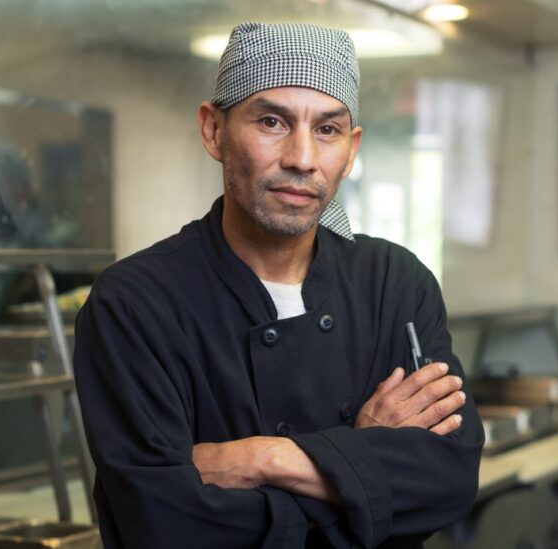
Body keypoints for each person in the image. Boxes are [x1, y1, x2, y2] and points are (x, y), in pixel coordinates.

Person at [73, 21, 482, 548]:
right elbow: (164, 526)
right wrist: (363, 467)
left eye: (328, 130)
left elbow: (448, 479)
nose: (302, 158)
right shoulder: (134, 305)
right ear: (213, 131)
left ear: (352, 148)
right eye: (272, 121)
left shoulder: (394, 282)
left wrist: (263, 458)